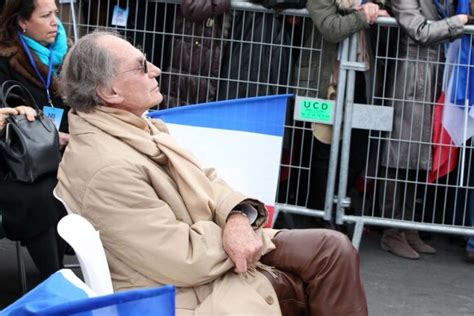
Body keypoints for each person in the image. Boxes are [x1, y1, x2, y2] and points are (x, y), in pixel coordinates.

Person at [56, 31, 368, 315]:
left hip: (205, 252)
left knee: (333, 249)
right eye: (140, 66)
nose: (155, 70)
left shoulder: (132, 126)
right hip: (185, 291)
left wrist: (238, 216)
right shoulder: (107, 167)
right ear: (109, 92)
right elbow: (180, 258)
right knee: (311, 274)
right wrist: (240, 230)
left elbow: (207, 179)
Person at [378, 0, 469, 259]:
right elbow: (418, 30)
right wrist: (458, 22)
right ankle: (391, 230)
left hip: (430, 71)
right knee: (398, 154)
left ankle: (407, 227)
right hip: (410, 73)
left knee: (418, 154)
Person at [293, 0, 388, 213]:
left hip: (361, 76)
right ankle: (320, 212)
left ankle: (336, 204)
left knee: (359, 151)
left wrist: (371, 5)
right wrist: (363, 16)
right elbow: (331, 29)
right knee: (325, 146)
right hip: (328, 78)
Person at [0, 0, 69, 279]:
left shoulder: (63, 56)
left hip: (52, 157)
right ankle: (56, 278)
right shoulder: (5, 63)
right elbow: (12, 126)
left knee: (84, 180)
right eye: (46, 15)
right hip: (14, 164)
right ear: (22, 22)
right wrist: (49, 135)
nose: (56, 22)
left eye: (56, 14)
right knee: (43, 196)